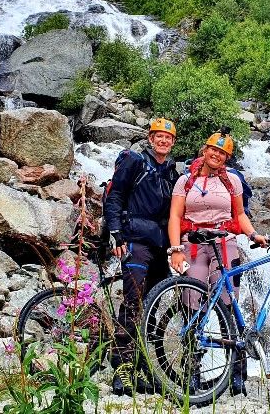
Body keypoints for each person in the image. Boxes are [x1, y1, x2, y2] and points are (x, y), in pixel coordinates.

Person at [167, 130, 267, 396]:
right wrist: (176, 250)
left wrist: (253, 234)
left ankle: (237, 373)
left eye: (222, 153)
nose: (217, 155)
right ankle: (193, 371)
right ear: (205, 149)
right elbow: (175, 217)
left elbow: (240, 214)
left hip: (225, 243)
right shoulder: (185, 180)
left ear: (227, 157)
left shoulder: (232, 180)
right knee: (192, 302)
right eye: (214, 149)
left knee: (228, 302)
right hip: (194, 245)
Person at [103, 118, 180, 396]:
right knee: (134, 302)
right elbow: (116, 197)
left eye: (168, 138)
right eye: (158, 136)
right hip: (135, 240)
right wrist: (116, 232)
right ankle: (122, 371)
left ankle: (141, 368)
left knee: (152, 306)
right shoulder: (134, 162)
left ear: (173, 142)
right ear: (150, 139)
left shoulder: (171, 172)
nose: (163, 141)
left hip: (161, 245)